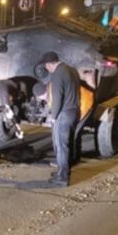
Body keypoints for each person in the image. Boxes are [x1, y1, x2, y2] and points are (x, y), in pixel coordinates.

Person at [37, 51, 80, 187]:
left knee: (61, 146)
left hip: (63, 113)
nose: (47, 69)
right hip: (74, 111)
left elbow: (57, 98)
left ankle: (62, 178)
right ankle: (62, 172)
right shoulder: (72, 70)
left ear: (50, 64)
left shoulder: (57, 74)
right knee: (67, 144)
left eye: (46, 66)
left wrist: (53, 117)